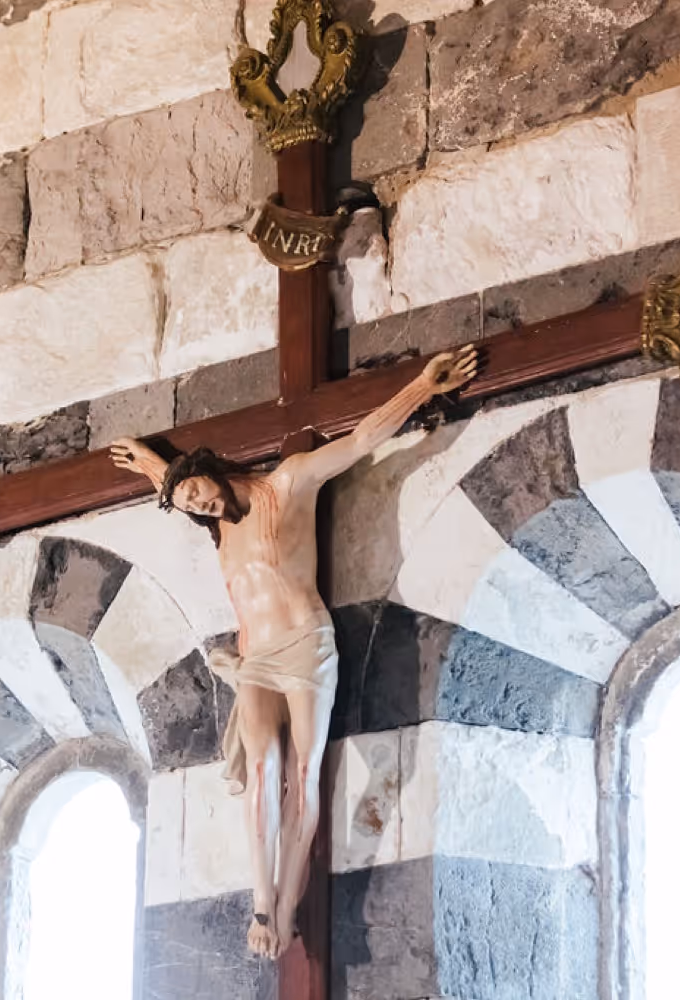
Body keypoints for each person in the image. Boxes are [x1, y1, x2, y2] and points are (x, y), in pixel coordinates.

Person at [110, 346, 478, 959]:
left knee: (302, 777)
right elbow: (177, 488)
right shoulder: (214, 523)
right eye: (189, 505)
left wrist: (420, 387)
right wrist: (155, 465)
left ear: (211, 470)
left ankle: (283, 912)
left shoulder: (289, 481)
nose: (198, 503)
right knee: (263, 771)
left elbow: (361, 440)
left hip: (307, 648)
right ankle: (260, 903)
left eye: (198, 491)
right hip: (256, 659)